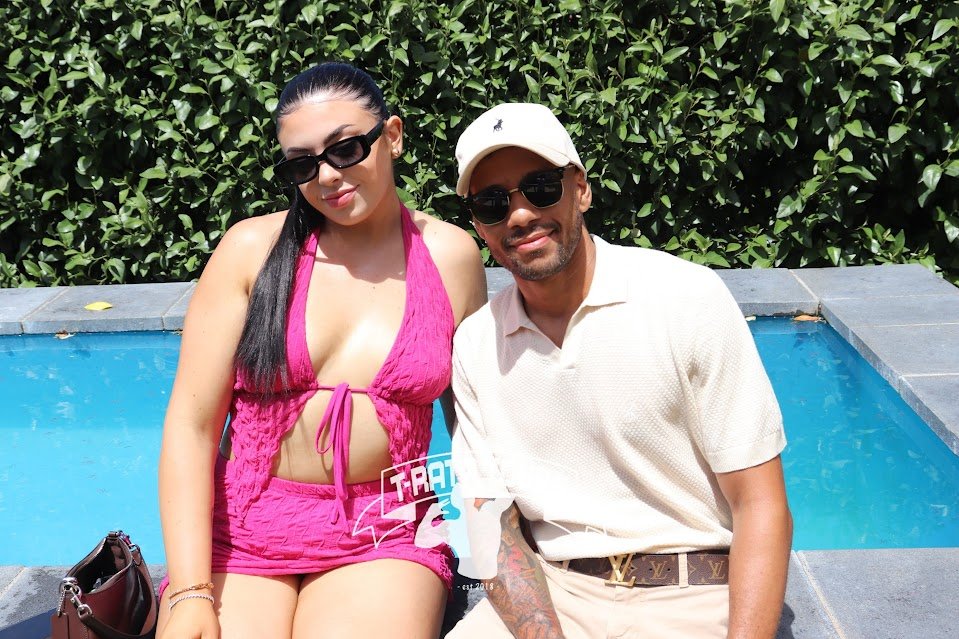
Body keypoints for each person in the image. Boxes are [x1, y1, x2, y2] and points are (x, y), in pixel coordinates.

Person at [156, 61, 487, 639]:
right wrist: (189, 590)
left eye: (346, 148)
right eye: (303, 164)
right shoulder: (251, 251)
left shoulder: (450, 257)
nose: (328, 176)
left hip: (386, 528)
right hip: (243, 527)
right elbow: (192, 427)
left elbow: (476, 426)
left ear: (392, 135)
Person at [447, 102, 793, 639]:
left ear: (581, 189)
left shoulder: (685, 297)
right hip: (553, 594)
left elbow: (760, 503)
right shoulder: (475, 344)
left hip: (691, 594)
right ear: (478, 225)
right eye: (493, 203)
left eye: (540, 187)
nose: (519, 215)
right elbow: (488, 523)